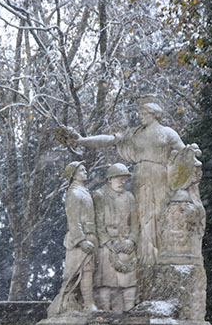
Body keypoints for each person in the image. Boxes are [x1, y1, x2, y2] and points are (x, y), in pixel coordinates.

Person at [59, 100, 201, 269]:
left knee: (159, 214)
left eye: (144, 114)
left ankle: (160, 257)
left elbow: (184, 154)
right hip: (140, 177)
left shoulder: (168, 133)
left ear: (154, 114)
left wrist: (192, 151)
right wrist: (82, 140)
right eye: (140, 114)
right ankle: (143, 258)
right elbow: (109, 140)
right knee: (139, 216)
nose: (140, 117)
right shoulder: (135, 134)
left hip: (159, 177)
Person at [48, 161, 98, 316]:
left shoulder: (84, 191)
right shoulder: (74, 193)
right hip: (79, 241)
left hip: (90, 235)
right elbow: (73, 220)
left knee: (88, 270)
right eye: (82, 170)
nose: (85, 172)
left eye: (85, 169)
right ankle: (73, 304)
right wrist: (81, 240)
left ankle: (87, 304)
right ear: (74, 175)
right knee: (75, 273)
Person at [92, 163, 137, 311]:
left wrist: (131, 240)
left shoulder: (129, 197)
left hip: (126, 245)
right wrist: (107, 242)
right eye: (119, 178)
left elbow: (135, 223)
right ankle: (104, 315)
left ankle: (129, 314)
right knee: (105, 282)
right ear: (110, 179)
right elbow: (97, 222)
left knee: (129, 282)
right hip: (107, 245)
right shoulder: (99, 195)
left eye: (124, 179)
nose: (122, 182)